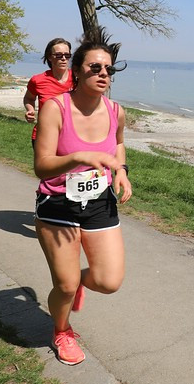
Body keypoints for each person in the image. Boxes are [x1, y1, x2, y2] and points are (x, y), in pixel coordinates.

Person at [33, 27, 131, 365]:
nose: (103, 73)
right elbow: (42, 166)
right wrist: (79, 158)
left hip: (100, 202)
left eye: (108, 69)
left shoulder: (117, 111)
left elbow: (117, 145)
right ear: (76, 71)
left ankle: (78, 284)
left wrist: (121, 170)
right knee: (64, 285)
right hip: (57, 204)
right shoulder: (55, 109)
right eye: (94, 67)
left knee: (108, 281)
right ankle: (62, 330)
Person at [24, 38, 74, 146]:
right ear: (50, 57)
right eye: (59, 55)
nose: (64, 58)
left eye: (67, 55)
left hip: (71, 137)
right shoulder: (38, 80)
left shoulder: (79, 79)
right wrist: (30, 110)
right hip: (43, 137)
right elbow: (29, 98)